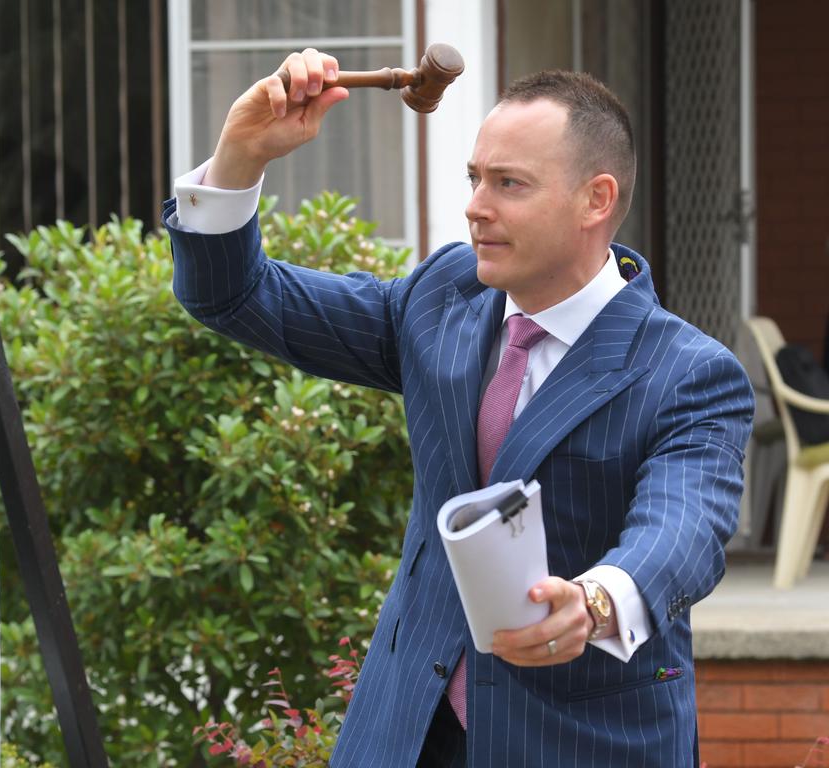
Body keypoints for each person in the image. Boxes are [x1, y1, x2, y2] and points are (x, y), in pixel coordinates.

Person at [164, 49, 754, 767]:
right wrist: (239, 158)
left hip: (579, 744)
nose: (476, 206)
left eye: (509, 183)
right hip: (404, 735)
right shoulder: (443, 298)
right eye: (475, 178)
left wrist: (595, 601)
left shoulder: (689, 373)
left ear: (596, 199)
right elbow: (238, 297)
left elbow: (683, 529)